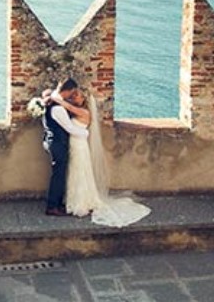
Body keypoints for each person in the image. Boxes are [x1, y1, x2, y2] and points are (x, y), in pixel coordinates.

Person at [47, 83, 150, 227]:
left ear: (84, 100)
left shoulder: (83, 112)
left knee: (80, 172)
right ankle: (73, 200)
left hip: (79, 145)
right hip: (73, 144)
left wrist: (54, 98)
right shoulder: (75, 111)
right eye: (73, 95)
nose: (73, 97)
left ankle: (81, 202)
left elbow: (69, 114)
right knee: (74, 173)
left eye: (77, 95)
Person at [41, 78, 88, 216]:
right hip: (57, 143)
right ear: (69, 90)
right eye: (73, 93)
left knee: (59, 174)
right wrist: (86, 132)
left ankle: (57, 203)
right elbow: (70, 128)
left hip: (51, 141)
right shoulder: (58, 108)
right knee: (58, 175)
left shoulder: (51, 100)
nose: (72, 96)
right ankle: (52, 206)